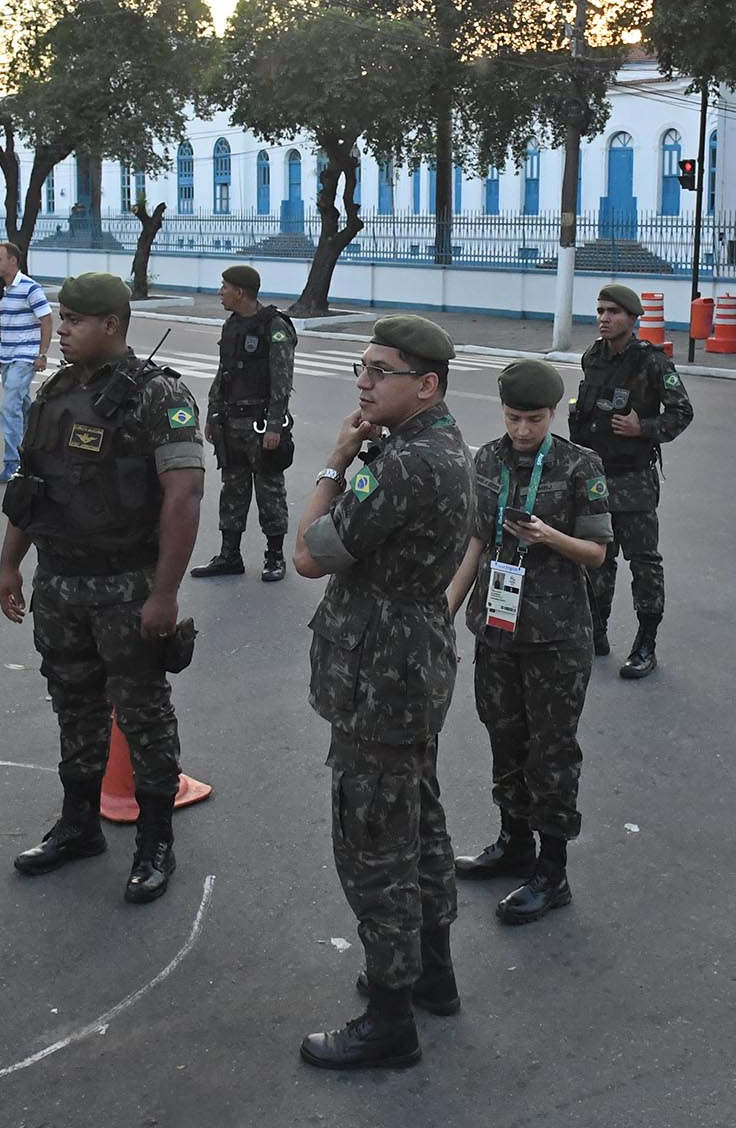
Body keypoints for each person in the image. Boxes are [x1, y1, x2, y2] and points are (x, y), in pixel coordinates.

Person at [293, 314, 474, 1071]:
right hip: (409, 661)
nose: (362, 381)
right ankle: (431, 974)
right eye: (360, 369)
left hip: (382, 674)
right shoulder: (428, 446)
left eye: (379, 371)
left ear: (425, 384)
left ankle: (389, 1017)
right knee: (418, 821)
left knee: (374, 841)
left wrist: (333, 464)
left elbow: (308, 553)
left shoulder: (402, 464)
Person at [0, 272, 205, 904]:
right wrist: (10, 565)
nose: (60, 331)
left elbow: (185, 495)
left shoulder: (158, 396)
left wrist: (164, 593)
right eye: (60, 319)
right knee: (73, 705)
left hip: (126, 585)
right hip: (61, 582)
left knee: (142, 712)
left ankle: (155, 840)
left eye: (73, 321)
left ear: (111, 324)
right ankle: (79, 824)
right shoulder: (53, 394)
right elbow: (30, 490)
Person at [446, 360, 612, 924]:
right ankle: (513, 842)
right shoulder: (487, 459)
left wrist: (548, 536)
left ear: (553, 413)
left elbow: (597, 552)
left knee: (552, 752)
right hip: (497, 628)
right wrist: (445, 612)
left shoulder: (580, 465)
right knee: (504, 739)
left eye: (534, 420)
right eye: (514, 418)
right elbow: (475, 539)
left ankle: (553, 871)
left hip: (557, 635)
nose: (522, 430)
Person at [568, 283, 694, 679]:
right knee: (598, 561)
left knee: (644, 564)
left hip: (635, 480)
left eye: (613, 312)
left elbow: (682, 412)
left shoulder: (652, 363)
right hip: (597, 479)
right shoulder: (593, 357)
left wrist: (645, 427)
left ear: (633, 318)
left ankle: (645, 643)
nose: (604, 318)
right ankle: (597, 631)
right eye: (601, 310)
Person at [190, 263, 297, 583]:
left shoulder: (275, 326)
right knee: (232, 490)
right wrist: (212, 414)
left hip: (261, 424)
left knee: (270, 491)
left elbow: (282, 379)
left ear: (240, 291)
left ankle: (275, 556)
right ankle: (229, 555)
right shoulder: (232, 325)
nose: (220, 292)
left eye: (224, 287)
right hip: (231, 423)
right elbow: (223, 373)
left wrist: (275, 426)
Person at [0, 242, 53, 483]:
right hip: (6, 358)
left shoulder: (30, 288)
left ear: (13, 261)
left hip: (24, 358)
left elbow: (46, 320)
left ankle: (13, 462)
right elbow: (6, 323)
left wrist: (42, 353)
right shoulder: (1, 290)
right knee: (24, 408)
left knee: (8, 407)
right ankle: (37, 450)